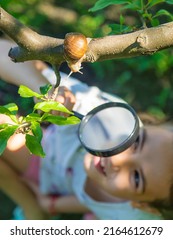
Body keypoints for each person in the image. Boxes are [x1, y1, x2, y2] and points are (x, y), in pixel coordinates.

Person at [0, 39, 173, 220]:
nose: (116, 159)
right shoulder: (100, 113)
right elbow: (5, 52)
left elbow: (90, 201)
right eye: (136, 141)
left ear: (142, 205)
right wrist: (44, 90)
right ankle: (32, 208)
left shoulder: (134, 219)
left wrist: (53, 204)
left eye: (136, 177)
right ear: (147, 124)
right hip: (47, 156)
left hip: (67, 189)